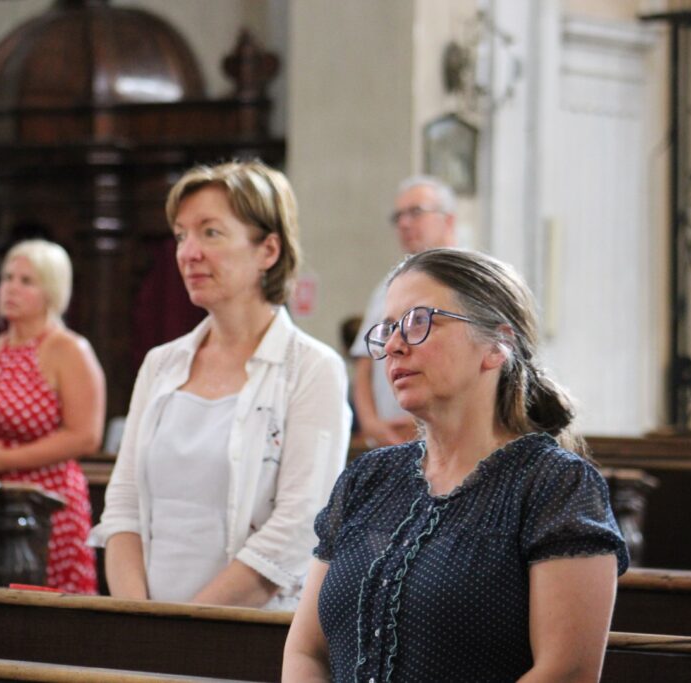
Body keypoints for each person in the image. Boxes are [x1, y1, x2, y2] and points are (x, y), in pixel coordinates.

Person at [284, 248, 629, 681]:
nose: (393, 345)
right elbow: (306, 651)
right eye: (389, 328)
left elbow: (566, 672)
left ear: (497, 346)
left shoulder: (554, 485)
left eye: (418, 321)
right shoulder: (368, 478)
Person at [89, 160, 351, 610]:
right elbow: (124, 505)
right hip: (147, 626)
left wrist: (188, 627)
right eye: (181, 235)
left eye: (210, 232)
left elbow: (298, 525)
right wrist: (137, 620)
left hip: (246, 628)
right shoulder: (162, 364)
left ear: (268, 250)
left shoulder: (311, 368)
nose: (188, 253)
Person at [0, 239, 105, 594]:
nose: (11, 288)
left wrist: (5, 459)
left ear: (52, 292)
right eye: (7, 278)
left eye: (26, 281)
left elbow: (85, 436)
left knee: (44, 606)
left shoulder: (68, 350)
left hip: (46, 504)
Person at [351, 176, 457, 447]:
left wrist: (434, 418)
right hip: (391, 443)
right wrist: (372, 424)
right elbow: (364, 365)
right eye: (398, 216)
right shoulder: (387, 287)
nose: (404, 223)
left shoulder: (469, 281)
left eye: (416, 212)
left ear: (448, 220)